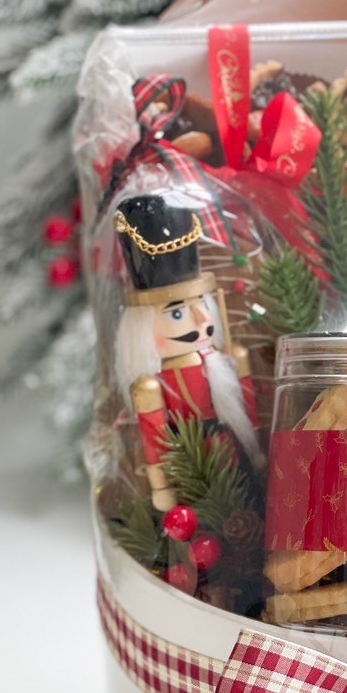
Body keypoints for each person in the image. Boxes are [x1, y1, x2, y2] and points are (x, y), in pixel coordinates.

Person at [114, 192, 262, 510]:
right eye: (177, 313)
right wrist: (161, 486)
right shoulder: (151, 386)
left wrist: (257, 449)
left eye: (201, 305)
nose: (201, 320)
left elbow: (246, 408)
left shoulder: (221, 360)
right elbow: (154, 438)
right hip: (185, 463)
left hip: (228, 450)